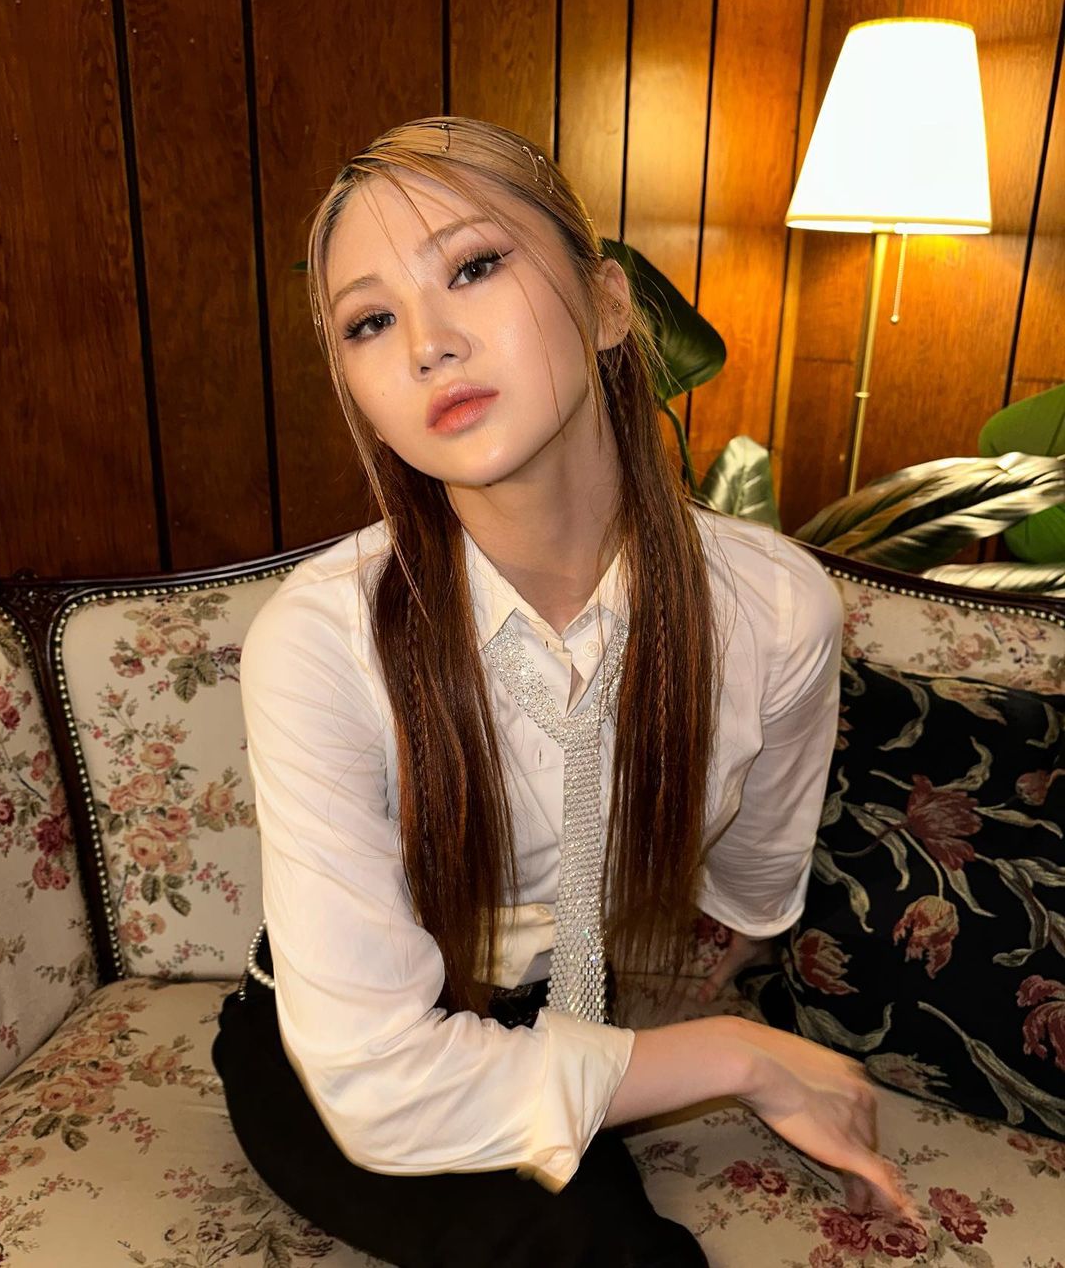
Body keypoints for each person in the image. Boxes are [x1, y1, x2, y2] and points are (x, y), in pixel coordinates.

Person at [211, 115, 918, 1267]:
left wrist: (671, 1017)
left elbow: (751, 893)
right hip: (336, 1056)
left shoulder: (775, 607)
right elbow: (381, 1080)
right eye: (370, 321)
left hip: (561, 1016)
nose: (429, 345)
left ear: (606, 305)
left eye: (473, 266)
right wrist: (743, 1058)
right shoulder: (320, 642)